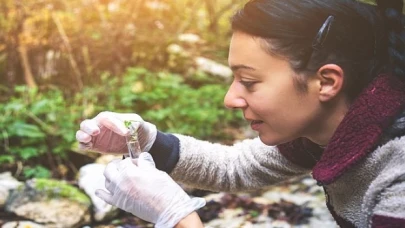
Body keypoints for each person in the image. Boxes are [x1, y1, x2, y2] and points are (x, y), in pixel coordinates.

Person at [76, 0, 405, 227]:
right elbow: (235, 167)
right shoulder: (329, 132)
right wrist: (148, 141)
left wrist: (176, 215)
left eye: (249, 81)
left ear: (326, 81)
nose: (230, 98)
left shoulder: (397, 174)